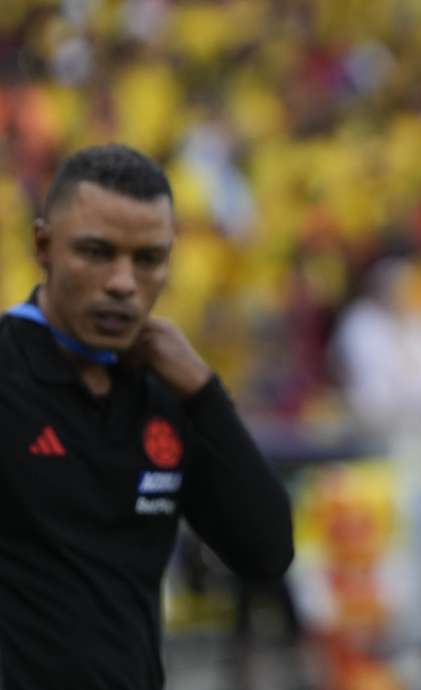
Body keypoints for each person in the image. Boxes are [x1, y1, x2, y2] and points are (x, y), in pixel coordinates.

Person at [0, 144, 294, 689]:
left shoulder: (167, 391)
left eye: (148, 259)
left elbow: (266, 552)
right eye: (96, 252)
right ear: (42, 246)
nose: (122, 283)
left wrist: (205, 393)